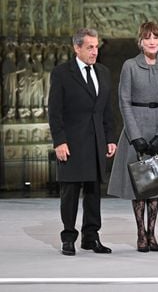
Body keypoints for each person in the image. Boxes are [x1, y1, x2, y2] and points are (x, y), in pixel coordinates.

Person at [107, 21, 158, 252]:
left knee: (154, 184)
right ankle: (140, 234)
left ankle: (152, 233)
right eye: (148, 37)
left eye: (156, 37)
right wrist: (135, 136)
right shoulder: (129, 66)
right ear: (140, 41)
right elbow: (123, 101)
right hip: (135, 126)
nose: (152, 41)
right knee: (139, 185)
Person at [48, 28, 117, 256]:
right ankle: (68, 237)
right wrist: (59, 141)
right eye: (89, 47)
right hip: (71, 144)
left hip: (97, 141)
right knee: (70, 194)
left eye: (96, 46)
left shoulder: (104, 72)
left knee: (93, 193)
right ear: (77, 47)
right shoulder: (61, 73)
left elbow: (107, 109)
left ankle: (91, 237)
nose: (94, 51)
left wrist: (110, 138)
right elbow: (54, 111)